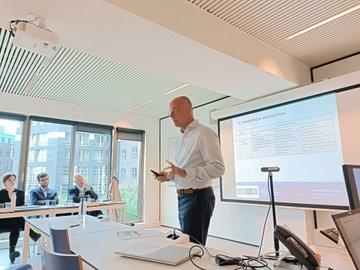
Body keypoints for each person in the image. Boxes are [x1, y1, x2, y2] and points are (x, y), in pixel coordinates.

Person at [154, 96, 225, 245]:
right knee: (187, 244)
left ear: (189, 109)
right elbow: (182, 170)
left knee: (193, 247)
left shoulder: (204, 133)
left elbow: (218, 169)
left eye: (175, 111)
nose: (171, 116)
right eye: (169, 113)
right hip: (183, 198)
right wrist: (167, 176)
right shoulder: (180, 138)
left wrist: (186, 172)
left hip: (198, 198)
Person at [0, 173, 41, 263]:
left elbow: (19, 208)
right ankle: (33, 234)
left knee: (15, 222)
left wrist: (12, 196)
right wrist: (10, 197)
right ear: (4, 182)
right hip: (3, 221)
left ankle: (12, 252)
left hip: (14, 220)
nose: (12, 182)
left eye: (14, 179)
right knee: (17, 220)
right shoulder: (0, 193)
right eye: (9, 180)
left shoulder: (20, 193)